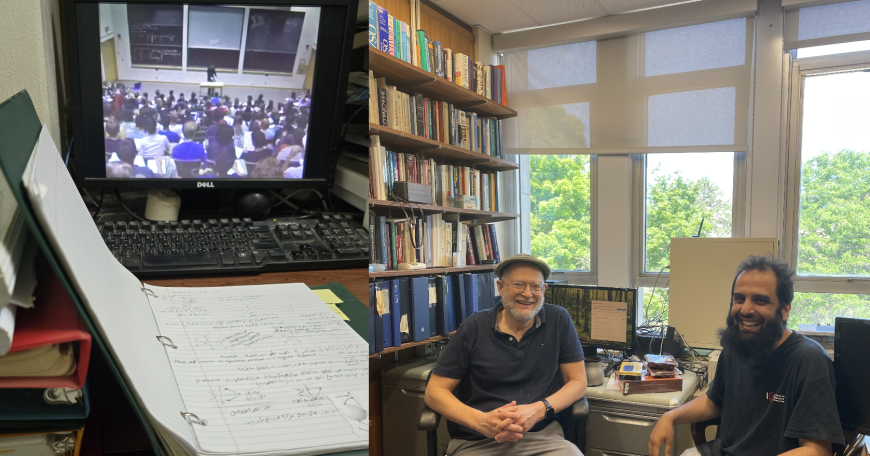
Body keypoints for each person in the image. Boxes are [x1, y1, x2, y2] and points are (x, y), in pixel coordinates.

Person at [647, 255, 845, 456]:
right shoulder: (738, 346)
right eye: (739, 298)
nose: (745, 309)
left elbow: (817, 450)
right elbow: (715, 400)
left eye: (760, 300)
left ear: (785, 310)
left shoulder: (809, 360)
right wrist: (670, 417)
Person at [424, 253, 587, 456]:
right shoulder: (474, 327)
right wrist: (482, 422)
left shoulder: (559, 320)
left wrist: (538, 410)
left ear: (544, 289)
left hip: (541, 438)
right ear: (500, 287)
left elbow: (578, 381)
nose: (528, 294)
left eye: (535, 286)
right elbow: (435, 391)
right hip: (478, 441)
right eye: (518, 284)